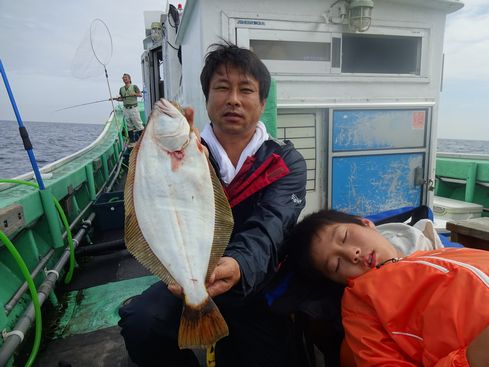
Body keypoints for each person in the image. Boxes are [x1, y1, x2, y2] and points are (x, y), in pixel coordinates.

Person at [118, 42, 307, 367]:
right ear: (207, 99)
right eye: (222, 87)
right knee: (140, 322)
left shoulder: (285, 160)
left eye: (246, 90)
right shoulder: (187, 151)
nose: (233, 98)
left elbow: (272, 227)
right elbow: (153, 204)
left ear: (262, 103)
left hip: (255, 284)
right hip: (187, 275)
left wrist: (239, 265)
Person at [287, 209, 489, 367]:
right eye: (336, 265)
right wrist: (475, 358)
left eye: (345, 237)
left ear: (366, 224)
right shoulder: (360, 308)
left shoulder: (441, 252)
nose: (352, 254)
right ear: (338, 281)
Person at [114, 73, 144, 142]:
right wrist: (117, 99)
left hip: (133, 108)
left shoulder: (134, 87)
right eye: (123, 78)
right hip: (126, 109)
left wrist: (134, 94)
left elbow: (140, 95)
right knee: (129, 125)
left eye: (126, 78)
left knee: (138, 125)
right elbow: (122, 99)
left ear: (129, 79)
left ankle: (142, 141)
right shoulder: (121, 89)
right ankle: (132, 141)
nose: (124, 79)